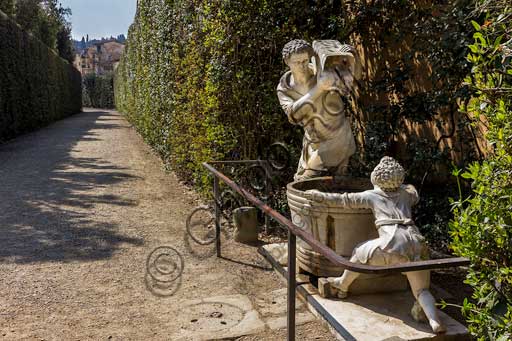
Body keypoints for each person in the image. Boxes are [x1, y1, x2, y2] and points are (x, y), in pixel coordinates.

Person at [306, 156, 446, 333]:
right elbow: (413, 191)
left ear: (376, 178)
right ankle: (434, 321)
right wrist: (401, 184)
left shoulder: (371, 195)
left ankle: (343, 284)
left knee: (358, 252)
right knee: (421, 290)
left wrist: (319, 197)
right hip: (417, 243)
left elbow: (343, 200)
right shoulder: (406, 194)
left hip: (392, 245)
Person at [277, 39, 356, 181]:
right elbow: (294, 115)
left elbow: (349, 85)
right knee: (307, 184)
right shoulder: (285, 87)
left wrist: (350, 57)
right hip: (312, 141)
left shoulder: (324, 71)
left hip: (337, 136)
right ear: (287, 62)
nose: (302, 66)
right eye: (297, 62)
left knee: (309, 181)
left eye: (305, 61)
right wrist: (319, 88)